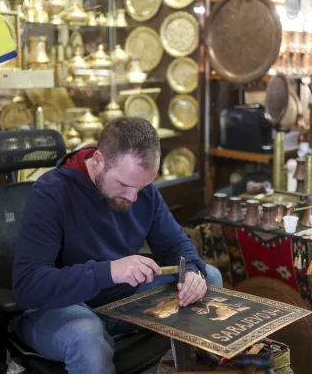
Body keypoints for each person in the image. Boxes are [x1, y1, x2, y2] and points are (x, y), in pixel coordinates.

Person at [13, 117, 223, 374]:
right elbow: (28, 287)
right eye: (124, 185)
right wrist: (109, 271)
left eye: (143, 186)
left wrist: (192, 270)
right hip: (60, 307)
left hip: (120, 301)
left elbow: (176, 244)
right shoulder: (51, 193)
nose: (133, 197)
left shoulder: (140, 189)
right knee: (86, 336)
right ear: (99, 161)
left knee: (209, 277)